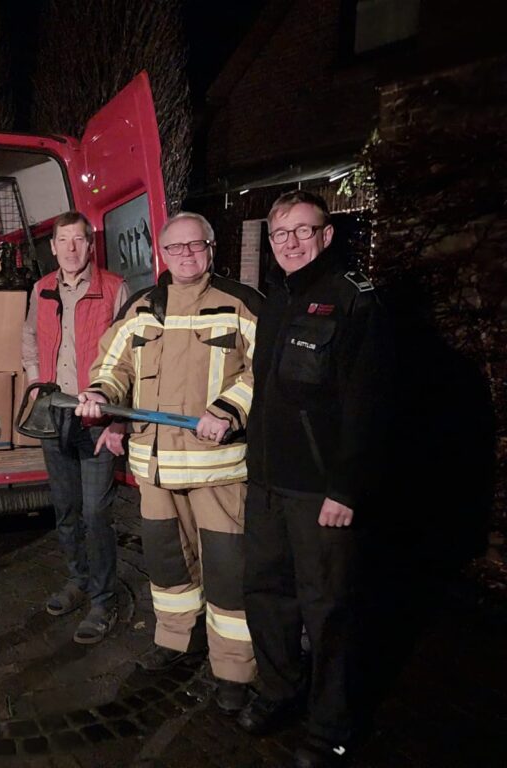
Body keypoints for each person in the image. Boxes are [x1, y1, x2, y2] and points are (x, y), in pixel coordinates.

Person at [74, 212, 260, 713]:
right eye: (174, 248)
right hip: (155, 470)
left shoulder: (241, 304)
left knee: (227, 572)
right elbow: (113, 366)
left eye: (194, 246)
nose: (184, 255)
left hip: (217, 469)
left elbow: (269, 371)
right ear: (162, 253)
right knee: (167, 564)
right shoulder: (141, 308)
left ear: (211, 247)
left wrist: (228, 408)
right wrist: (99, 395)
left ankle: (234, 670)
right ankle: (177, 641)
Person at [238, 190, 391, 768]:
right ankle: (279, 692)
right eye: (281, 234)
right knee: (266, 596)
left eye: (304, 231)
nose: (292, 243)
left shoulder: (354, 303)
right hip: (269, 485)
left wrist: (345, 490)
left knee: (327, 609)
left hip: (320, 492)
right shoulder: (276, 302)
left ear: (327, 235)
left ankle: (332, 726)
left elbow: (369, 405)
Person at [21, 211, 129, 644]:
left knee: (96, 512)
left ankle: (104, 599)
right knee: (65, 508)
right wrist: (32, 381)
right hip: (55, 414)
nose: (70, 248)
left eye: (78, 240)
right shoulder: (42, 288)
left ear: (91, 244)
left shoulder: (114, 289)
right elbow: (29, 336)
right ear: (53, 247)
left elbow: (128, 356)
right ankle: (77, 580)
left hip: (97, 417)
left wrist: (118, 421)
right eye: (63, 241)